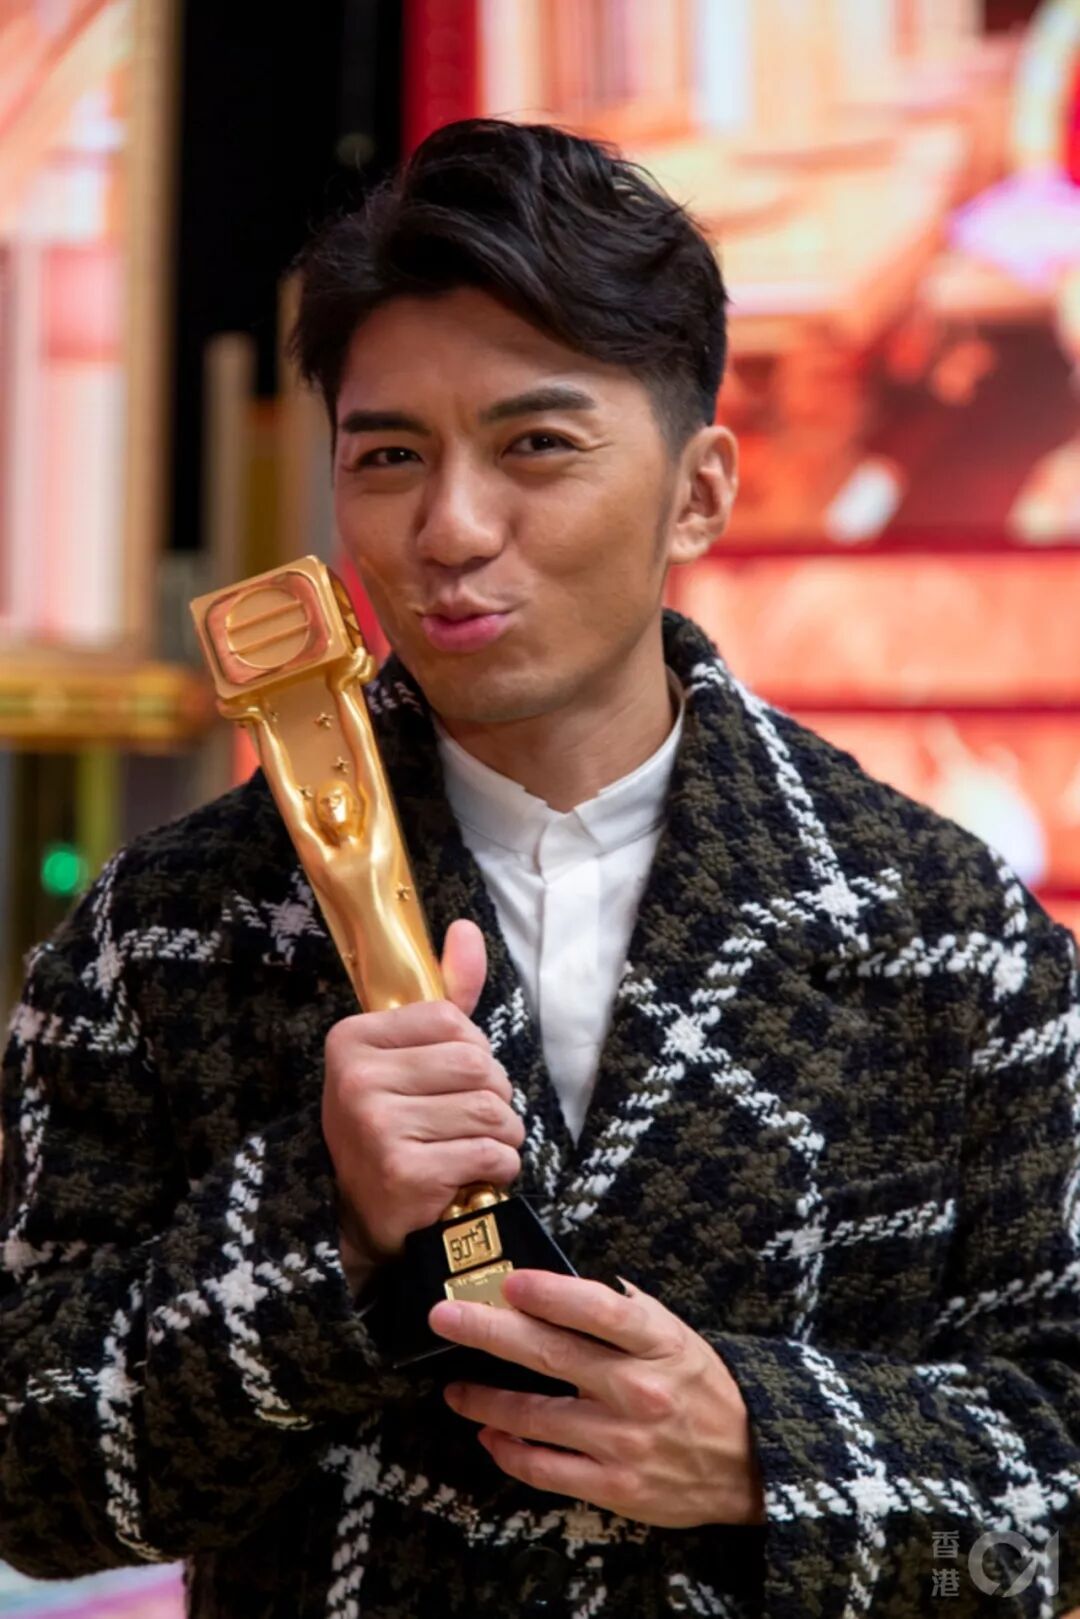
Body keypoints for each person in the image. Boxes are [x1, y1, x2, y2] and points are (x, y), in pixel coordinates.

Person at [1, 118, 1078, 1619]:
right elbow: (33, 1484)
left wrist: (767, 1452)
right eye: (390, 456)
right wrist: (323, 1215)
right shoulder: (170, 927)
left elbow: (1058, 1508)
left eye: (537, 446)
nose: (450, 528)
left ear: (700, 490)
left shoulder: (947, 931)